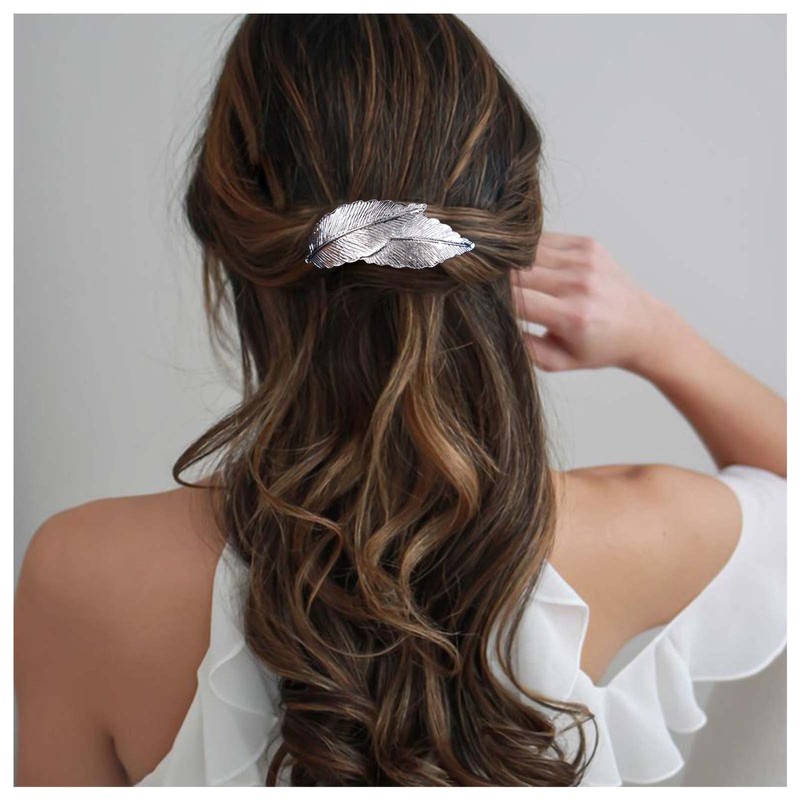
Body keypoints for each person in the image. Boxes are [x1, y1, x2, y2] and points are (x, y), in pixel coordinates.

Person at [14, 14, 786, 787]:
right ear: (507, 239)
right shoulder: (638, 533)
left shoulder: (84, 577)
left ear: (228, 240)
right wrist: (659, 336)